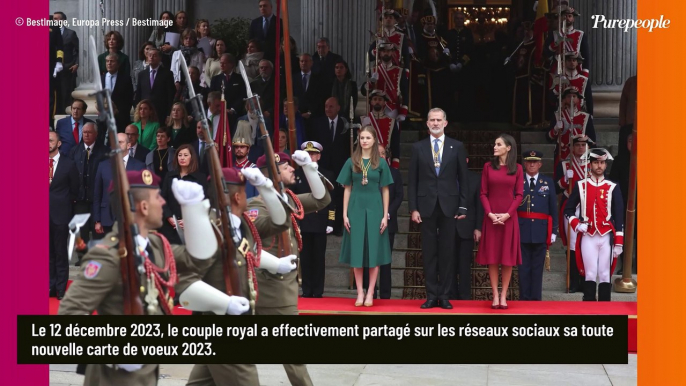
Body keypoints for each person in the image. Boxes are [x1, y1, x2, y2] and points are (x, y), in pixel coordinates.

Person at [59, 170, 231, 386]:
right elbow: (69, 314)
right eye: (158, 197)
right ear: (143, 207)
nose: (163, 202)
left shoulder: (155, 245)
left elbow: (200, 260)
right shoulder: (108, 256)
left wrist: (193, 209)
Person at [177, 167, 294, 386]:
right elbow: (186, 284)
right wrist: (226, 303)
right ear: (238, 197)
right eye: (246, 190)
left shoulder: (241, 223)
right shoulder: (210, 228)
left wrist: (265, 187)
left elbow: (281, 222)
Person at [249, 150, 331, 386]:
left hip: (282, 289)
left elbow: (322, 199)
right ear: (273, 175)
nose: (292, 169)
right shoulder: (256, 206)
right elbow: (250, 246)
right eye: (286, 167)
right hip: (267, 290)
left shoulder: (289, 199)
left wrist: (309, 168)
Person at [408, 108, 469, 309]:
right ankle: (431, 295)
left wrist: (462, 206)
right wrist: (413, 208)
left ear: (445, 122)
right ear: (427, 123)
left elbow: (463, 178)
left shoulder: (457, 146)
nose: (435, 123)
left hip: (450, 206)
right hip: (426, 206)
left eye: (438, 120)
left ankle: (444, 295)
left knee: (447, 252)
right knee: (429, 252)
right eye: (432, 120)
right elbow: (413, 181)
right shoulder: (418, 147)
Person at [337, 126, 392, 307]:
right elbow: (347, 188)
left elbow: (385, 190)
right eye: (362, 138)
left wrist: (385, 215)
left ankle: (370, 292)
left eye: (368, 138)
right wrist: (344, 214)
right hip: (356, 208)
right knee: (357, 251)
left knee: (374, 251)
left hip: (375, 208)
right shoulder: (351, 161)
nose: (365, 141)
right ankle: (359, 292)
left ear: (374, 140)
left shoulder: (381, 163)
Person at [564, 148, 624, 301]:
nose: (599, 166)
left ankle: (605, 310)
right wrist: (577, 224)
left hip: (606, 236)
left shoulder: (613, 186)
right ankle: (589, 310)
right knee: (590, 273)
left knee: (605, 274)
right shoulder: (580, 185)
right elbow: (568, 209)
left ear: (605, 165)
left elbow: (619, 215)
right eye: (596, 162)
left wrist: (619, 242)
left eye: (602, 163)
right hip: (588, 235)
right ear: (590, 164)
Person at [475, 134, 524, 310]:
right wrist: (489, 213)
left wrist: (507, 214)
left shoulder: (517, 168)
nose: (494, 147)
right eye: (494, 144)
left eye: (498, 144)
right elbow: (483, 193)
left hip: (509, 219)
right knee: (493, 257)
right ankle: (495, 294)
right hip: (491, 218)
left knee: (507, 258)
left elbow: (519, 195)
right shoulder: (488, 167)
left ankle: (504, 296)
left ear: (508, 148)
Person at [290, 141, 336, 298]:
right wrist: (296, 221)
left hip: (320, 220)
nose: (310, 157)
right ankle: (307, 289)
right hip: (304, 220)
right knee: (305, 257)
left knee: (318, 258)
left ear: (319, 156)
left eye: (313, 154)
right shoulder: (296, 174)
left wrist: (330, 221)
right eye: (307, 154)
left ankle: (318, 290)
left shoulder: (326, 174)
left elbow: (332, 201)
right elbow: (293, 200)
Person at [363, 144, 403, 299]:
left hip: (388, 222)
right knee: (368, 259)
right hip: (368, 220)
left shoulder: (394, 173)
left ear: (386, 156)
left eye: (382, 153)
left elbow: (399, 196)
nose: (379, 156)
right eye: (376, 153)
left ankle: (386, 294)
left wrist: (387, 213)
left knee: (385, 259)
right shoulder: (366, 172)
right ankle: (369, 292)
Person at [517, 150, 558, 301]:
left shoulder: (547, 182)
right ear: (525, 164)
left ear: (540, 164)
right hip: (522, 230)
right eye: (529, 161)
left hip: (541, 231)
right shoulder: (518, 181)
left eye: (535, 162)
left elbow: (553, 207)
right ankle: (524, 300)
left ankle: (536, 301)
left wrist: (554, 231)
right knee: (523, 269)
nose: (532, 164)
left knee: (537, 269)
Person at [556, 134, 592, 292]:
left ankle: (586, 282)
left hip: (588, 207)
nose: (581, 148)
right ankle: (572, 282)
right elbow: (556, 187)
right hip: (570, 206)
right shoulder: (565, 164)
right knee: (572, 245)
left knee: (587, 245)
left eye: (584, 145)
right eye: (577, 145)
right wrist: (565, 179)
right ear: (572, 147)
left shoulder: (593, 164)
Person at [93, 133, 146, 240]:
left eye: (120, 142)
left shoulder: (140, 166)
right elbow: (97, 194)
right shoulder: (102, 165)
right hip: (107, 217)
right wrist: (97, 220)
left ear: (128, 145)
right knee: (110, 253)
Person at [68, 123, 107, 258]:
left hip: (97, 197)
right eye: (84, 132)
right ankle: (82, 257)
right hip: (80, 198)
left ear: (96, 134)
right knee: (81, 229)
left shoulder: (104, 151)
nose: (86, 134)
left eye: (89, 132)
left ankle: (97, 257)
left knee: (97, 229)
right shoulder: (75, 151)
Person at [49, 130, 79, 299]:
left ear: (59, 143)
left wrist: (65, 206)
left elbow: (75, 190)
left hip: (60, 215)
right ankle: (49, 287)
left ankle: (61, 289)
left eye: (51, 140)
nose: (47, 143)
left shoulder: (69, 163)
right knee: (47, 254)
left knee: (60, 253)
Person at [449, 154, 483, 301]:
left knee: (464, 265)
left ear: (467, 161)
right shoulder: (446, 177)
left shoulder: (476, 178)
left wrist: (478, 228)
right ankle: (450, 295)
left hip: (467, 228)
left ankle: (464, 297)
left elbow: (479, 206)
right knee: (448, 264)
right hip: (448, 227)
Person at [609, 134, 634, 274]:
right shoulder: (619, 160)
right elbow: (613, 182)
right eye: (631, 140)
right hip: (624, 203)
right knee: (625, 233)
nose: (634, 143)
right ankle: (626, 265)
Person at [360, 90, 401, 169]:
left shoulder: (391, 121)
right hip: (367, 160)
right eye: (375, 99)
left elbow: (395, 144)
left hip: (385, 160)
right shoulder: (363, 120)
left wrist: (395, 163)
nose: (377, 102)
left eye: (380, 99)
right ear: (371, 102)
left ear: (384, 102)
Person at [134, 48, 176, 123]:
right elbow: (139, 94)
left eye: (154, 55)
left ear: (160, 58)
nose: (151, 57)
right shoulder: (142, 74)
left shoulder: (167, 74)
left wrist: (169, 114)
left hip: (161, 111)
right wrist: (137, 111)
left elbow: (170, 95)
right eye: (150, 55)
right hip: (145, 112)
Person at [209, 53, 247, 131]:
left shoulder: (239, 79)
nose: (222, 65)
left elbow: (242, 96)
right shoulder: (215, 79)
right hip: (218, 113)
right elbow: (211, 96)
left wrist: (232, 109)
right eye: (221, 63)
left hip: (234, 115)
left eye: (224, 63)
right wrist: (220, 108)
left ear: (231, 64)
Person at [102, 53, 134, 133]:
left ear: (118, 64)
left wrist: (121, 112)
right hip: (104, 119)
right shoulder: (101, 79)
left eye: (112, 61)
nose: (109, 63)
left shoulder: (126, 79)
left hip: (121, 119)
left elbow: (129, 98)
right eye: (107, 61)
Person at [53, 12, 79, 113]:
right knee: (55, 95)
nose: (54, 21)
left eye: (56, 19)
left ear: (63, 20)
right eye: (53, 19)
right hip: (53, 70)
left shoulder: (71, 34)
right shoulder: (50, 33)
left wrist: (76, 64)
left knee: (66, 94)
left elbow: (78, 50)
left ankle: (67, 114)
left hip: (67, 69)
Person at [171, 28, 207, 96]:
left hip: (193, 83)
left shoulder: (199, 54)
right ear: (183, 39)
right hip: (179, 83)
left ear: (194, 40)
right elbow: (173, 70)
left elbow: (199, 70)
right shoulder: (176, 53)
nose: (188, 40)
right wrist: (176, 81)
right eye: (186, 38)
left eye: (191, 38)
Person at [49, 18, 64, 124]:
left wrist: (59, 61)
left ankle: (49, 122)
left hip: (49, 66)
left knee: (49, 96)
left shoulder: (53, 24)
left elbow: (59, 46)